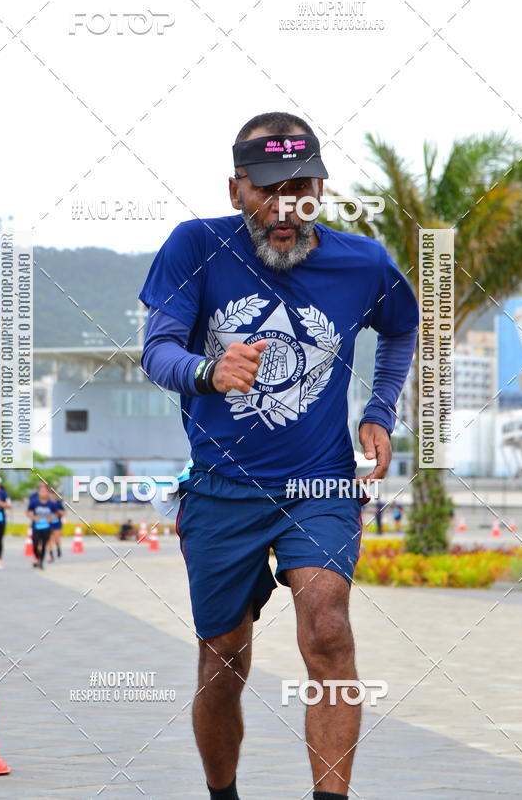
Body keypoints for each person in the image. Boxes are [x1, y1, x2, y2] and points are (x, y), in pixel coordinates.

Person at [139, 112, 419, 800]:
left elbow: (402, 329)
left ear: (322, 186)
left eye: (300, 187)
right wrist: (210, 370)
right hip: (221, 488)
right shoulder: (194, 246)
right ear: (236, 190)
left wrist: (379, 412)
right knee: (223, 660)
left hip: (319, 483)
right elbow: (158, 349)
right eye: (268, 190)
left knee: (328, 627)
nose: (284, 206)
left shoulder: (364, 262)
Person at [27, 482, 56, 569]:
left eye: (45, 491)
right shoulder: (34, 501)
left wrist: (50, 519)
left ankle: (41, 562)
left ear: (47, 492)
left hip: (46, 527)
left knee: (43, 544)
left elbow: (56, 514)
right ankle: (36, 556)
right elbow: (28, 511)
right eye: (41, 491)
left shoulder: (51, 503)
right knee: (35, 544)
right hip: (36, 526)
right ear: (38, 492)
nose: (43, 493)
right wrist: (33, 517)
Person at [47, 492, 65, 562]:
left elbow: (64, 513)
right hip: (49, 524)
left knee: (56, 540)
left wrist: (59, 512)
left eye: (53, 494)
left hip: (57, 523)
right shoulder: (47, 503)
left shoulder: (58, 503)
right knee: (49, 540)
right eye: (50, 494)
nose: (52, 495)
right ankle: (51, 555)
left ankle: (58, 548)